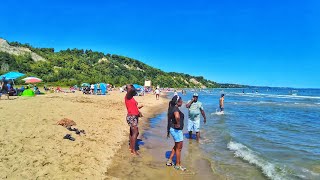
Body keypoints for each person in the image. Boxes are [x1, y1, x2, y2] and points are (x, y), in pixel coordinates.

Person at [166, 95, 186, 171]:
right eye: (181, 100)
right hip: (176, 130)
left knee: (177, 146)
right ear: (178, 102)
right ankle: (178, 165)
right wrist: (178, 123)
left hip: (174, 129)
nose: (182, 101)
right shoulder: (175, 109)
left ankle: (170, 160)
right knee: (179, 148)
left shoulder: (173, 108)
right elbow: (177, 117)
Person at [125, 84, 143, 156]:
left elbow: (133, 107)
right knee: (136, 132)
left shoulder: (131, 97)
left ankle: (131, 147)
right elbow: (130, 89)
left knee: (132, 132)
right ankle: (133, 150)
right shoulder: (128, 96)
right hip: (131, 116)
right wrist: (131, 86)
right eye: (131, 88)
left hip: (134, 116)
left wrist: (139, 110)